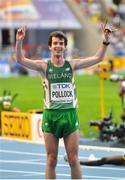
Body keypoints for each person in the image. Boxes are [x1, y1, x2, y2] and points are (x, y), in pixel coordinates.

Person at [15, 24, 112, 179]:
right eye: (55, 43)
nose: (58, 46)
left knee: (73, 159)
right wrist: (19, 41)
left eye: (61, 43)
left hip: (69, 115)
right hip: (51, 116)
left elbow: (98, 58)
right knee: (51, 159)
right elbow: (20, 59)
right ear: (50, 46)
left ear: (65, 47)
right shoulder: (43, 66)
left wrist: (105, 41)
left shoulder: (71, 65)